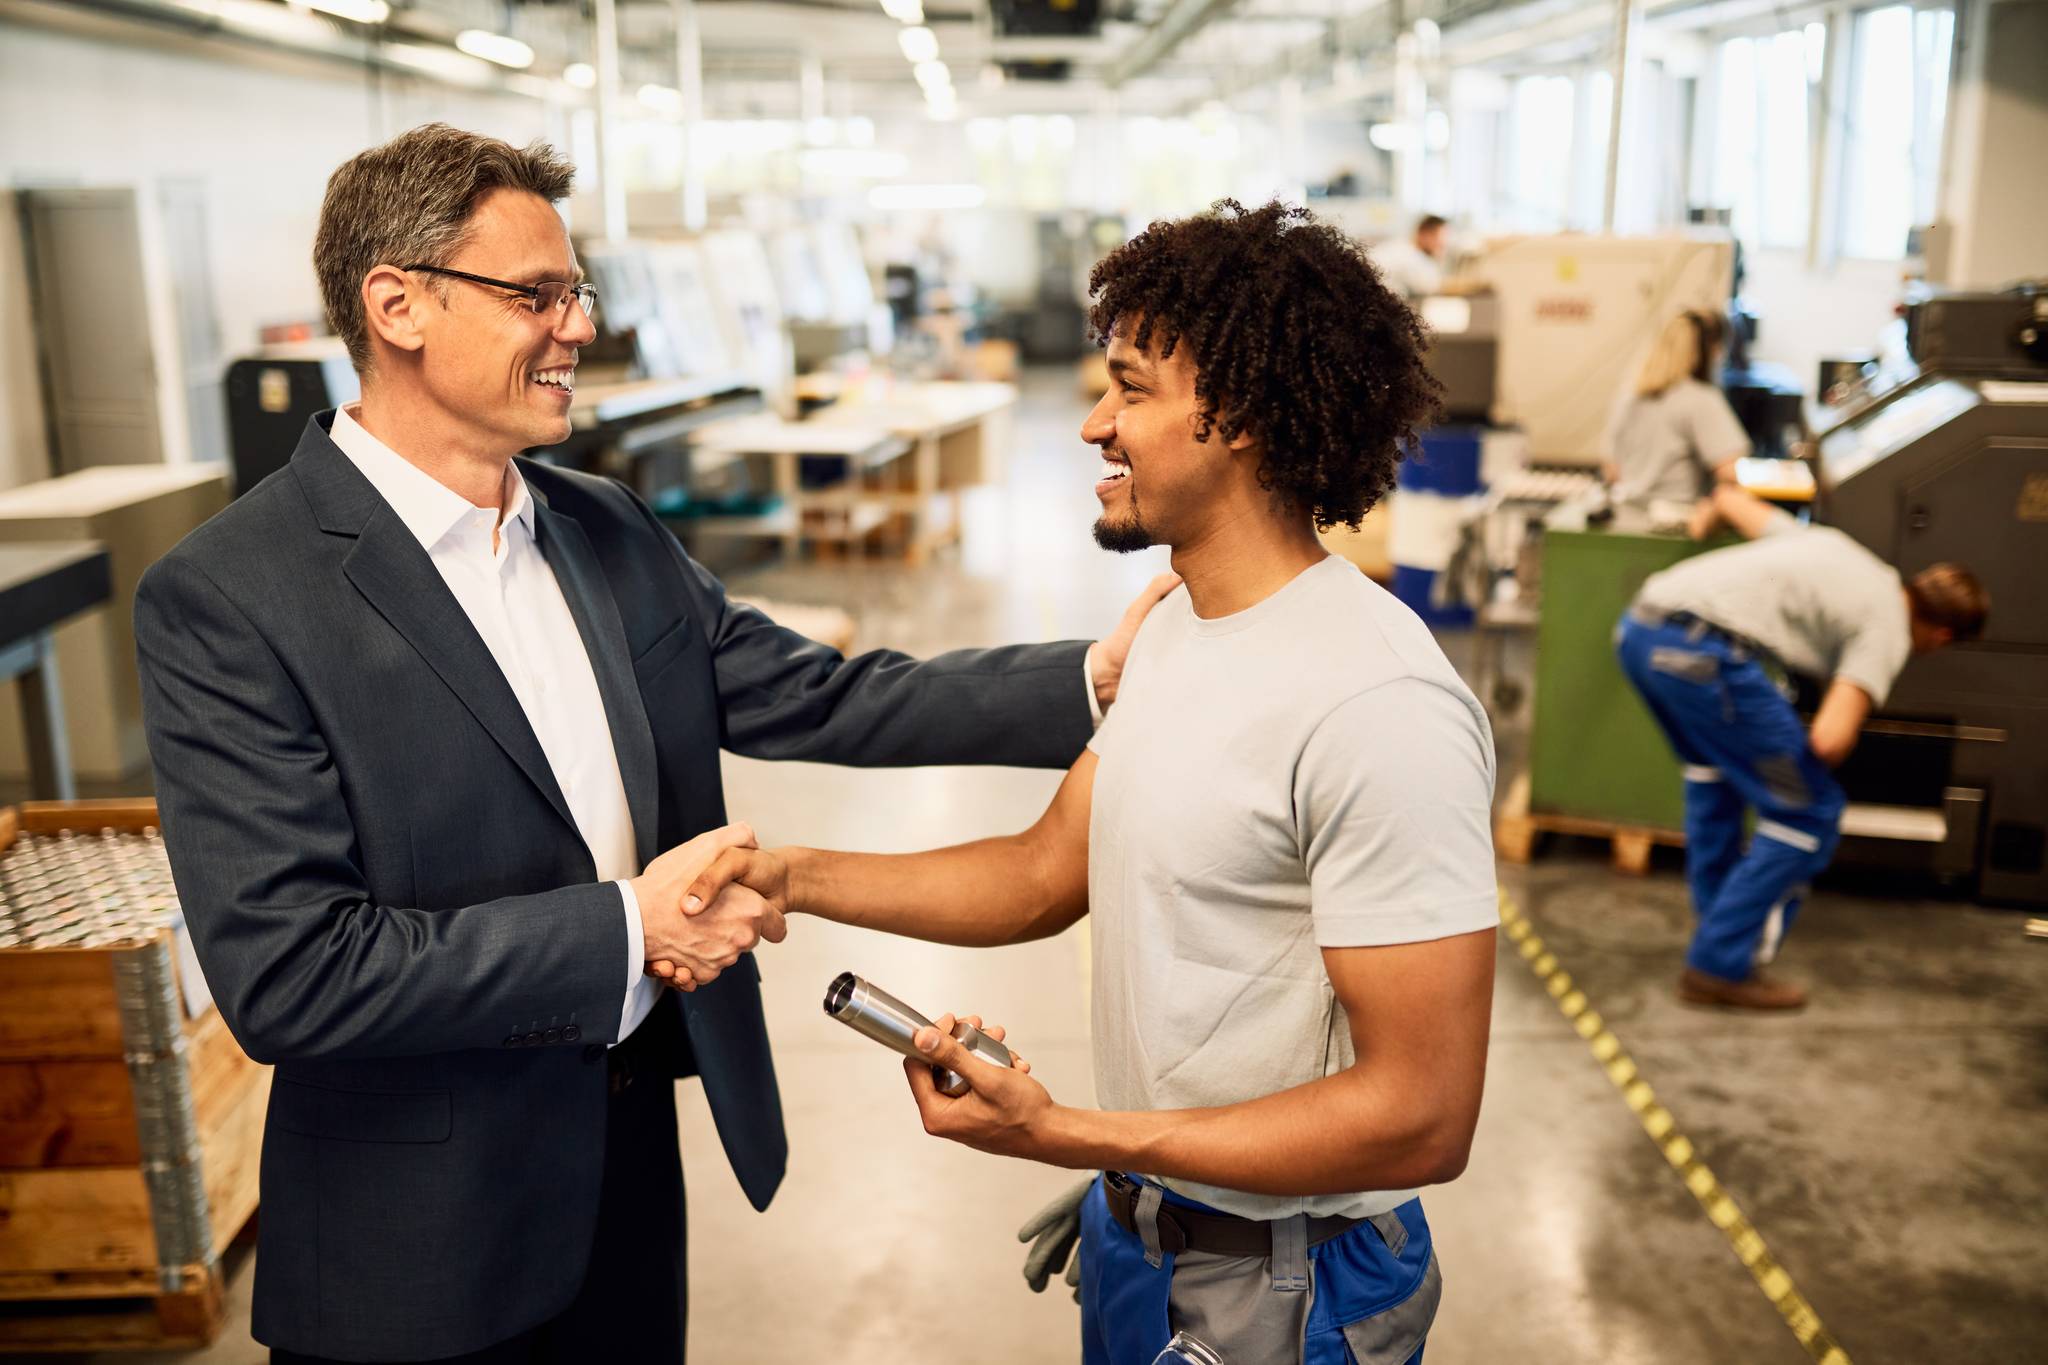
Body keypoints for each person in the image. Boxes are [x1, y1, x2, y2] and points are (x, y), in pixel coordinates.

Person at [133, 123, 1168, 1365]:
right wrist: (631, 929)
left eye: (577, 293)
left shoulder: (601, 531)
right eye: (538, 295)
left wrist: (1093, 677)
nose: (578, 328)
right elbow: (290, 973)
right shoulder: (233, 597)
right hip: (416, 1252)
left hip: (622, 1189)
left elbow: (822, 699)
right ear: (397, 305)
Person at [675, 201, 1498, 1365]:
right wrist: (791, 875)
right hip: (1145, 1229)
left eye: (1130, 389)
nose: (1094, 424)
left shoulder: (1375, 706)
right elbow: (1042, 870)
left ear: (1242, 418)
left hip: (1290, 1281)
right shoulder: (1174, 629)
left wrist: (1072, 1132)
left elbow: (1421, 1116)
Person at [1615, 483, 1989, 1010]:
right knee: (1809, 813)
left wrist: (1704, 522)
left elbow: (1729, 499)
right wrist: (1806, 753)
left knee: (1714, 778)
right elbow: (1829, 738)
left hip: (1639, 631)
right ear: (1944, 635)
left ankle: (1720, 935)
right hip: (1704, 659)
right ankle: (1718, 966)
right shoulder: (1890, 629)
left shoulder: (1842, 551)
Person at [1607, 309, 1750, 511]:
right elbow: (1728, 471)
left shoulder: (1630, 396)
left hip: (1626, 514)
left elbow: (1612, 470)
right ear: (1709, 351)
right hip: (1677, 523)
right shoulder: (1701, 399)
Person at [1369, 213, 1449, 300]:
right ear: (1425, 234)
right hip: (1380, 303)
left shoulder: (1399, 245)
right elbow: (1435, 287)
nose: (1442, 244)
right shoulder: (1411, 257)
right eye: (1439, 238)